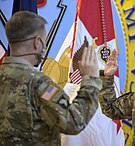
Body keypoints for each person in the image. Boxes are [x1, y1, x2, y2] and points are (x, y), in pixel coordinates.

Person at [0, 11, 102, 145]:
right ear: (37, 42)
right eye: (44, 41)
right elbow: (74, 121)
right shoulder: (38, 83)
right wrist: (90, 80)